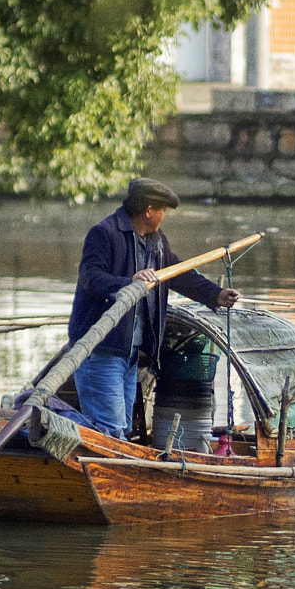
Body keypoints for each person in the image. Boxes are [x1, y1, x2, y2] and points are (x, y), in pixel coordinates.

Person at [66, 178, 238, 437]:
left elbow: (178, 274)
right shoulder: (105, 234)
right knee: (109, 432)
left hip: (129, 354)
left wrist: (216, 295)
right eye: (162, 211)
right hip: (99, 352)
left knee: (122, 429)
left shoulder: (156, 241)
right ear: (149, 210)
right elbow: (90, 278)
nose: (163, 217)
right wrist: (129, 282)